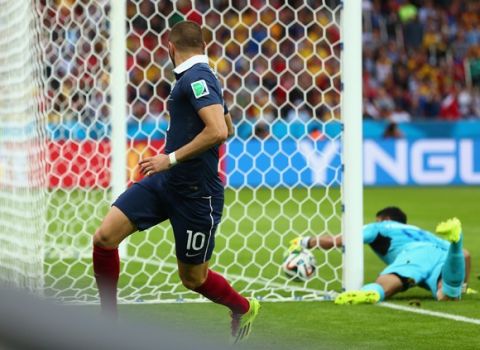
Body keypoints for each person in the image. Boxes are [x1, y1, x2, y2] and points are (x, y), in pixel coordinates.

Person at [92, 20, 259, 342]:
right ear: (204, 46)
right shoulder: (202, 77)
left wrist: (169, 157)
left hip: (197, 195)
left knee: (193, 279)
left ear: (170, 47)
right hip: (165, 182)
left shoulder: (197, 79)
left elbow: (220, 132)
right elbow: (227, 125)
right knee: (104, 237)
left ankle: (244, 307)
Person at [289, 207, 473, 304]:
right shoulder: (419, 230)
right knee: (447, 294)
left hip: (414, 254)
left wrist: (305, 241)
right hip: (439, 252)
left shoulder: (381, 227)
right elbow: (467, 257)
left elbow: (338, 241)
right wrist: (464, 284)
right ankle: (458, 264)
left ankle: (371, 292)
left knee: (393, 280)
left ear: (384, 219)